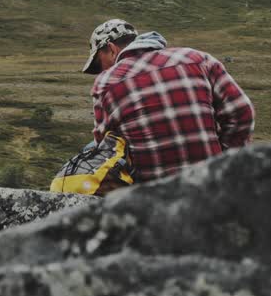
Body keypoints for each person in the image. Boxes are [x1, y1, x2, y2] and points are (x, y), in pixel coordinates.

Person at [82, 19, 254, 183]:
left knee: (90, 149)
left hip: (152, 196)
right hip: (211, 182)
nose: (100, 71)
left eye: (99, 64)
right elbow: (242, 112)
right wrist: (223, 161)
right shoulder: (198, 59)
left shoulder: (106, 83)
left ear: (111, 49)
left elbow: (104, 148)